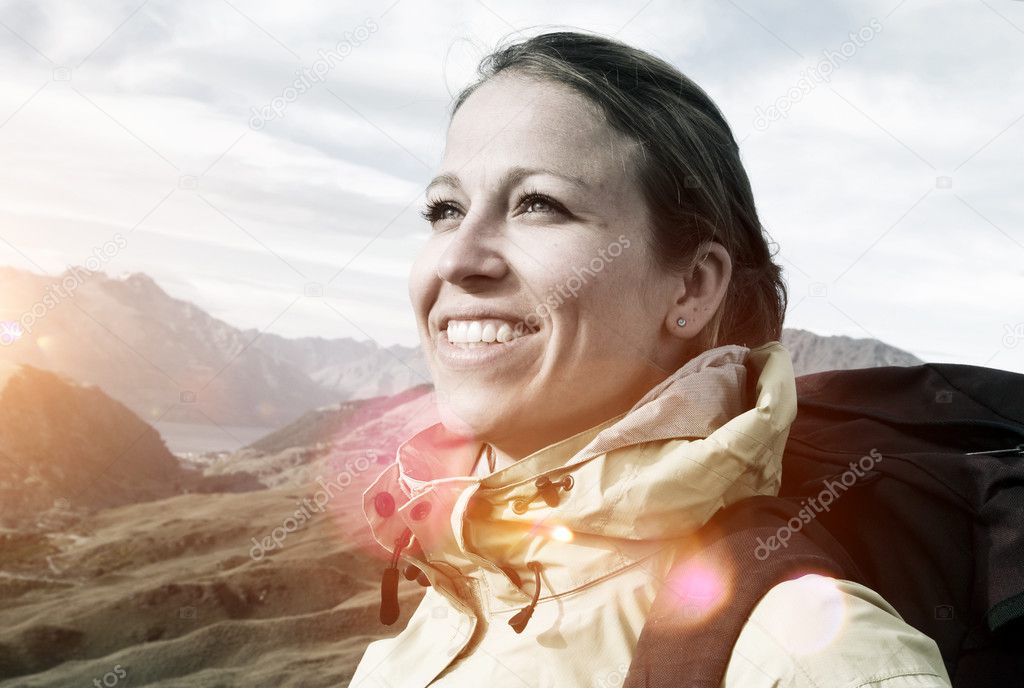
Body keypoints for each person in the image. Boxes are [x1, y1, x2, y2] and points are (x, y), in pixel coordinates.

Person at [350, 30, 952, 688]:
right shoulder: (457, 593)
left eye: (539, 205)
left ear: (691, 287)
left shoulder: (815, 662)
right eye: (445, 209)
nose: (458, 258)